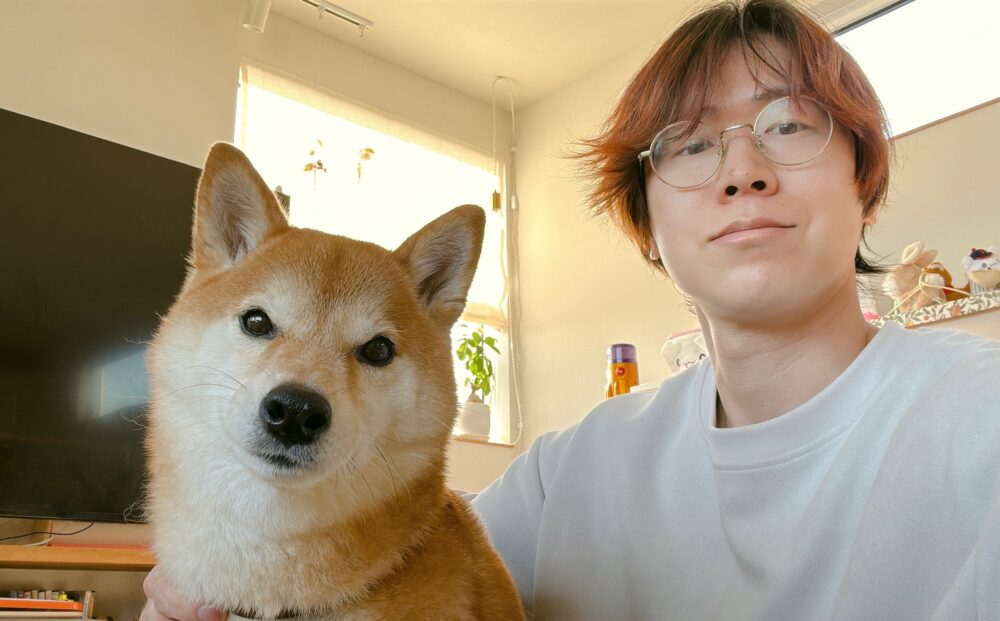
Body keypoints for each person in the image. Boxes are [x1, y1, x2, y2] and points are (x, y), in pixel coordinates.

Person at [142, 1, 1000, 619]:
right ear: (647, 220)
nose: (743, 171)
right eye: (693, 143)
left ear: (866, 180)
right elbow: (401, 552)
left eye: (789, 125)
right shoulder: (573, 471)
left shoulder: (979, 421)